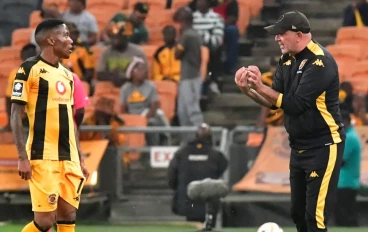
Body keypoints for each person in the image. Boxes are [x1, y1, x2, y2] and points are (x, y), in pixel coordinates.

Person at [234, 11, 346, 232]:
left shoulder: (320, 61)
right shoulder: (287, 59)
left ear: (298, 34)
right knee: (298, 214)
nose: (276, 38)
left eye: (280, 33)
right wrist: (248, 90)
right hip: (299, 146)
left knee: (315, 218)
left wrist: (259, 86)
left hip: (324, 145)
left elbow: (296, 104)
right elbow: (276, 102)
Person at [10, 19, 89, 232]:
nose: (71, 41)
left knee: (68, 215)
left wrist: (80, 156)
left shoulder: (68, 76)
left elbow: (71, 120)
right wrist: (21, 157)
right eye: (66, 36)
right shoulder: (29, 69)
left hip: (69, 156)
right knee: (45, 221)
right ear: (52, 40)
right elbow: (15, 114)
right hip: (42, 155)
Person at [168, 123, 227, 227]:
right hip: (209, 202)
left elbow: (171, 176)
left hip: (187, 201)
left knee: (192, 226)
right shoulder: (216, 155)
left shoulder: (182, 153)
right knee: (209, 226)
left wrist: (178, 190)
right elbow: (223, 168)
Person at [174, 7, 204, 141]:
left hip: (190, 77)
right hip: (188, 75)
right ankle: (187, 142)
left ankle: (203, 138)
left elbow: (177, 54)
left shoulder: (187, 35)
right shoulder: (194, 33)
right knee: (183, 112)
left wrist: (178, 38)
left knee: (192, 112)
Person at [334, 110, 361, 227]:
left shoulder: (349, 138)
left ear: (344, 122)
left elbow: (340, 161)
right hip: (346, 183)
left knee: (345, 219)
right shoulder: (349, 136)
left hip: (345, 183)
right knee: (346, 217)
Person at [5, 44, 37, 130]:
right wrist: (10, 121)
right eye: (27, 54)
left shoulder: (45, 72)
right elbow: (9, 98)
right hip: (24, 116)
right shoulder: (15, 73)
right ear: (22, 56)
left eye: (32, 54)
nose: (29, 56)